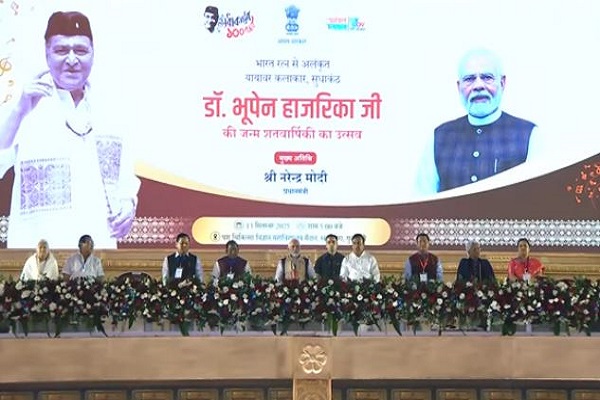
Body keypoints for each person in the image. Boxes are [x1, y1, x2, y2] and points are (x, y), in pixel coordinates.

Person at [0, 11, 140, 249]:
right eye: (61, 50)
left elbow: (125, 180)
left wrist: (128, 206)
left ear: (93, 53)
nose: (72, 60)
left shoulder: (111, 110)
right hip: (38, 251)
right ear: (46, 53)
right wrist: (19, 111)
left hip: (96, 248)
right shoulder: (22, 103)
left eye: (81, 51)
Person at [418, 48, 539, 193]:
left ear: (502, 83)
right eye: (469, 79)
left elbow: (539, 197)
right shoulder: (439, 137)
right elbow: (422, 200)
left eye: (487, 77)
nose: (478, 86)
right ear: (459, 87)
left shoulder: (529, 135)